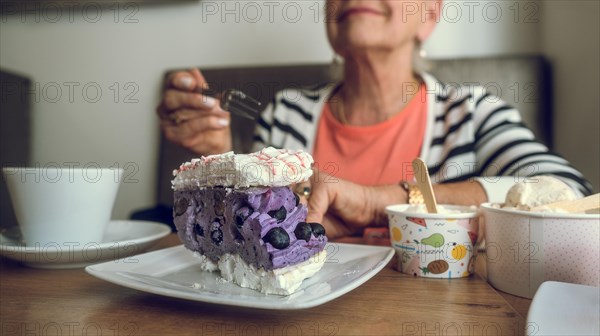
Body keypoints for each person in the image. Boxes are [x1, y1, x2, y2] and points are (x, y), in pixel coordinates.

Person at [157, 0, 592, 239]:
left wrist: (376, 202)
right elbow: (247, 229)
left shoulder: (473, 113)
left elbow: (569, 192)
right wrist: (217, 160)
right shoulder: (285, 114)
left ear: (430, 15)